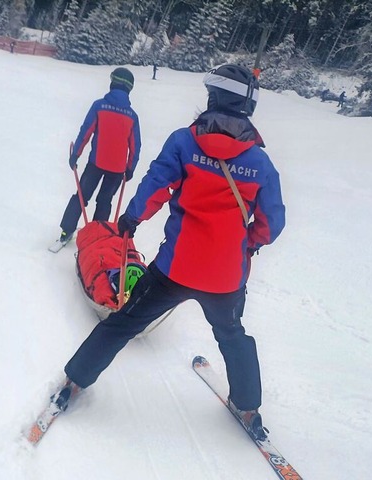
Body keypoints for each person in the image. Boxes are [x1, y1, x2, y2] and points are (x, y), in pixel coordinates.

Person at [51, 64, 286, 441]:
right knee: (232, 336)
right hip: (225, 278)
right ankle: (249, 406)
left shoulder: (184, 142)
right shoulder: (260, 163)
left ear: (213, 97)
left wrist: (131, 219)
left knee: (123, 323)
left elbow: (156, 185)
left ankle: (73, 382)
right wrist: (250, 243)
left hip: (174, 269)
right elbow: (272, 223)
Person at [57, 67, 142, 243]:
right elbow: (136, 145)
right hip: (117, 169)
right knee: (104, 201)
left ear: (112, 83)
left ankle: (66, 231)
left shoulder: (99, 106)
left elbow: (86, 131)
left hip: (96, 163)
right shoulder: (132, 116)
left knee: (81, 195)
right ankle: (97, 237)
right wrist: (130, 168)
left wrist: (76, 154)